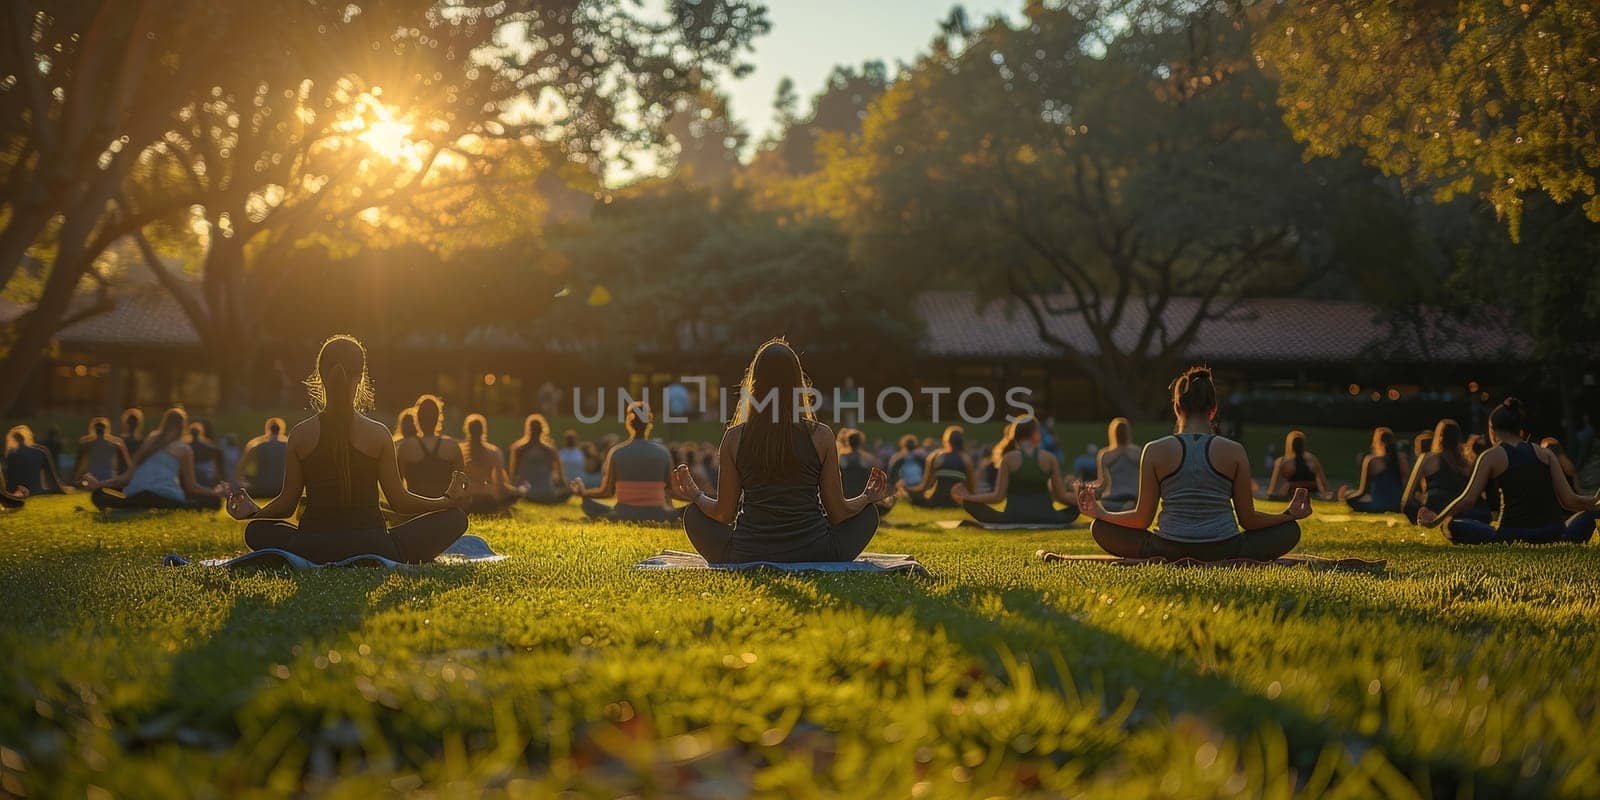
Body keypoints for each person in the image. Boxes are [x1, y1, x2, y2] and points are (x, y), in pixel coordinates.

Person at [227, 335, 469, 562]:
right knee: (456, 519)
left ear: (319, 375)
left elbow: (287, 504)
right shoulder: (378, 433)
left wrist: (254, 514)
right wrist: (446, 501)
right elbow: (399, 501)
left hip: (312, 547)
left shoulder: (301, 434)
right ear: (361, 377)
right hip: (373, 545)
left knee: (256, 531)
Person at [673, 338, 890, 563]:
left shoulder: (734, 438)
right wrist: (866, 498)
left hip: (747, 552)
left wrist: (696, 496)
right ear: (798, 385)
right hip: (816, 552)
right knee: (869, 514)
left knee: (693, 515)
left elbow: (723, 513)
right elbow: (838, 512)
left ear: (754, 384)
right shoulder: (821, 435)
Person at [1077, 366, 1310, 561]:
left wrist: (1101, 513)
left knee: (1099, 528)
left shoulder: (1155, 450)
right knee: (1290, 531)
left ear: (1177, 408)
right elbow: (1248, 520)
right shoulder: (1234, 450)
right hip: (1227, 549)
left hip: (1167, 548)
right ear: (1213, 410)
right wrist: (1288, 514)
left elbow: (1141, 519)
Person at [1418, 398, 1599, 544]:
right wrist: (1594, 501)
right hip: (1553, 533)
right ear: (1520, 429)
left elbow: (1468, 500)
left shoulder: (1492, 455)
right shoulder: (1546, 454)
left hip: (1511, 535)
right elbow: (1569, 501)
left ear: (1491, 430)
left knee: (1450, 525)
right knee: (1588, 516)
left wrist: (1436, 520)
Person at [85, 408, 227, 510]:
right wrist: (215, 493)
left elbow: (125, 478)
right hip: (164, 496)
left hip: (138, 495)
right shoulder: (183, 449)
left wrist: (99, 485)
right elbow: (191, 486)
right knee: (214, 502)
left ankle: (128, 505)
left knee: (102, 496)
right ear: (183, 426)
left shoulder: (150, 440)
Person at [571, 402, 683, 522]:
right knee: (688, 510)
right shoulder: (663, 453)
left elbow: (606, 492)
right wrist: (697, 497)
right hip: (657, 514)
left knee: (589, 504)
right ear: (649, 423)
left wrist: (584, 493)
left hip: (623, 514)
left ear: (628, 422)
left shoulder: (617, 453)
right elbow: (672, 491)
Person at [955, 417, 1079, 526]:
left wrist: (969, 498)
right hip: (1047, 517)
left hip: (1013, 517)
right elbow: (1061, 497)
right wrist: (1081, 499)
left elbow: (998, 497)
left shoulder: (1008, 459)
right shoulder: (1049, 458)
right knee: (1077, 506)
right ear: (1036, 434)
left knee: (968, 503)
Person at [1401, 419, 1487, 524]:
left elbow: (1407, 497)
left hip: (1435, 509)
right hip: (1460, 511)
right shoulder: (1468, 462)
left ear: (1439, 437)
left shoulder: (1427, 459)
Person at [397, 395, 463, 497]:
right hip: (445, 509)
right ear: (438, 418)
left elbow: (398, 488)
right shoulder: (453, 447)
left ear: (417, 418)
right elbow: (460, 486)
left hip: (416, 509)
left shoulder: (405, 448)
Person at [898, 425, 974, 508]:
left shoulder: (935, 456)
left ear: (945, 440)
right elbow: (971, 489)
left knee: (909, 495)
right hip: (956, 503)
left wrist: (906, 488)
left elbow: (923, 486)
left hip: (934, 501)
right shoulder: (966, 459)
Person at [460, 414, 519, 514]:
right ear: (483, 430)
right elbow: (499, 484)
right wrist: (515, 491)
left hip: (465, 498)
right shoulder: (494, 452)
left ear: (466, 430)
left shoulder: (459, 450)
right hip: (486, 498)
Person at [1340, 427, 1410, 513]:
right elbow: (1406, 484)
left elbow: (1362, 491)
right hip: (1397, 505)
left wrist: (1347, 498)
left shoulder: (1371, 461)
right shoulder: (1401, 459)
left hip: (1378, 505)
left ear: (1376, 442)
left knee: (1348, 494)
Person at [509, 413, 572, 504]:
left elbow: (513, 474)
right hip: (546, 494)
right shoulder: (550, 450)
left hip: (524, 493)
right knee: (571, 488)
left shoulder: (518, 449)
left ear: (528, 429)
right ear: (543, 430)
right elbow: (560, 477)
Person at [838, 427, 895, 515]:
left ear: (847, 442)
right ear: (861, 443)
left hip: (844, 497)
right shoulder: (868, 459)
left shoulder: (840, 458)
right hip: (861, 498)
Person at [1265, 430, 1332, 500]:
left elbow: (1272, 490)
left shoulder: (1282, 462)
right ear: (1304, 444)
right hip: (1311, 495)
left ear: (1289, 445)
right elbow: (1325, 486)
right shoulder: (1312, 459)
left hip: (1292, 496)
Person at [4, 425, 67, 496]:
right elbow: (51, 477)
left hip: (20, 491)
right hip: (37, 490)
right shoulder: (41, 451)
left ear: (14, 439)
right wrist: (60, 489)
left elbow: (10, 479)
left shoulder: (12, 454)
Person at [234, 418, 290, 497]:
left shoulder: (257, 445)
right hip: (282, 488)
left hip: (262, 487)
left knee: (245, 479)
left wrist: (240, 478)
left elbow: (242, 467)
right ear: (281, 429)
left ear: (267, 429)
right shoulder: (288, 445)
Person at [1096, 417, 1141, 512]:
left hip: (1112, 497)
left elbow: (1102, 483)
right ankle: (1125, 508)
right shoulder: (1137, 452)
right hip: (1132, 497)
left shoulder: (1106, 454)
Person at [72, 417, 132, 484]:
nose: (100, 430)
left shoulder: (114, 444)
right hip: (96, 476)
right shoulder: (87, 444)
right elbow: (79, 462)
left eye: (101, 427)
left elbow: (126, 462)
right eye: (98, 428)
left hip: (104, 476)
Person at [186, 421, 226, 488]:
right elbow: (218, 452)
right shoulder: (207, 444)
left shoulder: (187, 445)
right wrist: (220, 472)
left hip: (193, 470)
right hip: (206, 470)